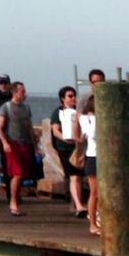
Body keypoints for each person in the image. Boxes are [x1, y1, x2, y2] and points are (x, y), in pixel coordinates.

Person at [0, 81, 35, 216]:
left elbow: (30, 128)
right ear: (15, 92)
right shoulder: (6, 107)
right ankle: (13, 202)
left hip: (25, 144)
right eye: (22, 91)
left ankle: (16, 198)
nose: (25, 94)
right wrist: (4, 143)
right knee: (17, 173)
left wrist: (35, 146)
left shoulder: (26, 108)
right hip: (12, 144)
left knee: (23, 174)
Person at [49, 86, 87, 217]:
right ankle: (79, 205)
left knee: (78, 177)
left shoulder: (79, 111)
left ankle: (76, 204)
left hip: (78, 148)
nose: (73, 98)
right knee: (74, 176)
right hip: (65, 148)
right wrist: (64, 138)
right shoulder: (58, 112)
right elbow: (55, 130)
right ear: (63, 98)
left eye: (74, 96)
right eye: (70, 96)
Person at [74, 94, 100, 236]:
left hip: (103, 157)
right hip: (93, 157)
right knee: (94, 193)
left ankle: (99, 219)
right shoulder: (87, 119)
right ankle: (93, 224)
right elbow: (92, 134)